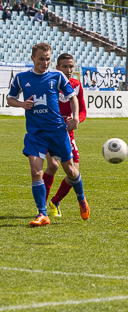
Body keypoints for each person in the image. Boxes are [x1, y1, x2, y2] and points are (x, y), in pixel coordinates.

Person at [7, 43, 90, 226]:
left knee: (70, 171)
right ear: (33, 59)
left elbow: (73, 97)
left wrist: (75, 117)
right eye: (41, 59)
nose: (45, 63)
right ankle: (42, 214)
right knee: (36, 171)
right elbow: (10, 98)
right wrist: (21, 105)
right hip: (35, 133)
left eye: (47, 59)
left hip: (58, 132)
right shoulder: (21, 78)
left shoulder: (57, 76)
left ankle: (81, 199)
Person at [44, 53, 87, 217]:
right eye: (65, 67)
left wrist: (76, 120)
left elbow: (83, 110)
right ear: (57, 68)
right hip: (49, 131)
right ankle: (42, 208)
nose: (69, 70)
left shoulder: (76, 85)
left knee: (74, 173)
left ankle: (55, 202)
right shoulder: (49, 84)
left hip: (68, 134)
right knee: (53, 165)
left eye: (71, 66)